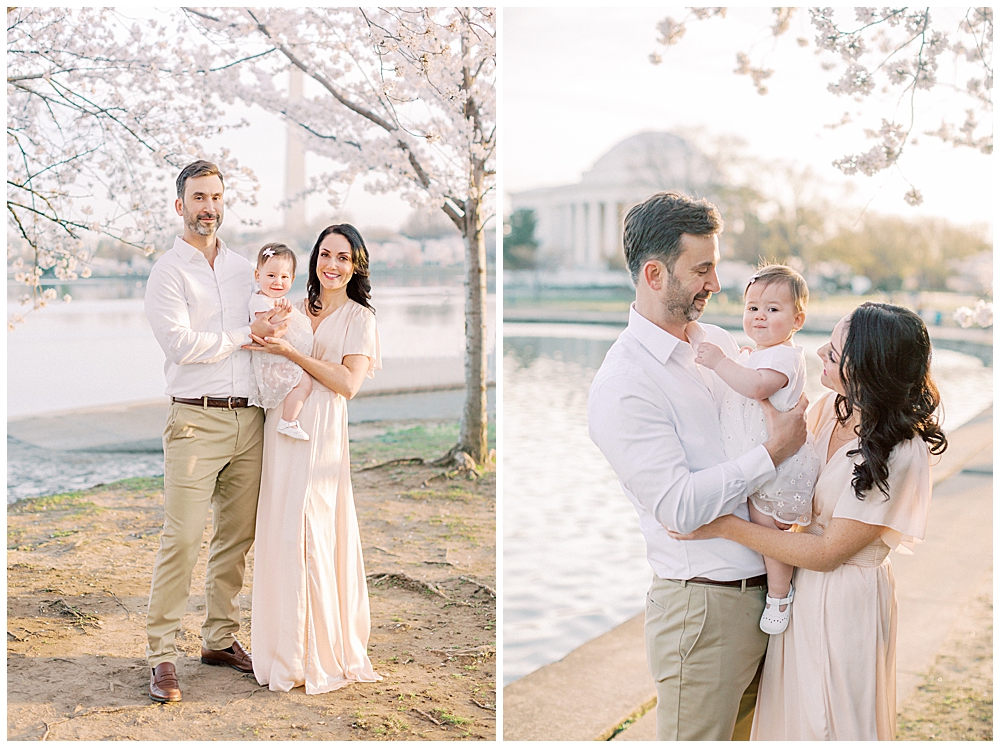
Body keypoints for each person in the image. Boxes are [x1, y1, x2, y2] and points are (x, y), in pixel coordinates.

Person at [669, 302, 947, 740]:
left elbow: (826, 552)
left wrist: (721, 525)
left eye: (835, 354)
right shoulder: (824, 411)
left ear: (869, 369)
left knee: (833, 720)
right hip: (797, 592)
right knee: (792, 718)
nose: (819, 352)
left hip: (845, 601)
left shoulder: (900, 449)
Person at [587, 191, 808, 741]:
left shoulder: (719, 343)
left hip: (769, 592)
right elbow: (679, 508)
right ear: (656, 274)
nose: (715, 284)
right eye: (702, 269)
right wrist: (772, 454)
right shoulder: (624, 385)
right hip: (704, 610)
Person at [143, 160, 289, 703]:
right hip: (195, 419)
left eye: (216, 197)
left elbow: (272, 321)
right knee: (181, 537)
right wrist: (241, 335)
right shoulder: (168, 273)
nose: (209, 207)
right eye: (198, 198)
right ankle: (161, 652)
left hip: (249, 419)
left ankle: (219, 639)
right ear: (180, 205)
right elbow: (181, 345)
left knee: (237, 539)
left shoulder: (245, 267)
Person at [246, 223, 382, 694]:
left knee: (314, 531)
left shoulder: (360, 319)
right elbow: (260, 346)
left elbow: (347, 384)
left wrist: (292, 354)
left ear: (356, 265)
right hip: (282, 430)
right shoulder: (296, 308)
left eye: (343, 257)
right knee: (282, 531)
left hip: (322, 432)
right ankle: (282, 651)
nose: (332, 264)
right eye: (326, 254)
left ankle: (318, 652)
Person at [694, 263, 821, 635]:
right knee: (765, 525)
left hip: (780, 467)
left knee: (770, 532)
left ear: (797, 319)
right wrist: (744, 358)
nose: (760, 316)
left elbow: (755, 388)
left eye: (773, 309)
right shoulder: (764, 353)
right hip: (766, 458)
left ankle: (779, 594)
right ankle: (778, 586)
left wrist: (720, 362)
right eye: (752, 308)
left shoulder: (783, 357)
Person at [247, 242, 315, 440]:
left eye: (284, 277)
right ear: (257, 276)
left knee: (304, 381)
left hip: (277, 358)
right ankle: (288, 421)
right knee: (304, 383)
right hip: (272, 363)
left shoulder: (269, 300)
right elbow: (270, 329)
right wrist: (283, 314)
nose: (278, 281)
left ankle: (288, 420)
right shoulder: (260, 302)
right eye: (271, 275)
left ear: (293, 279)